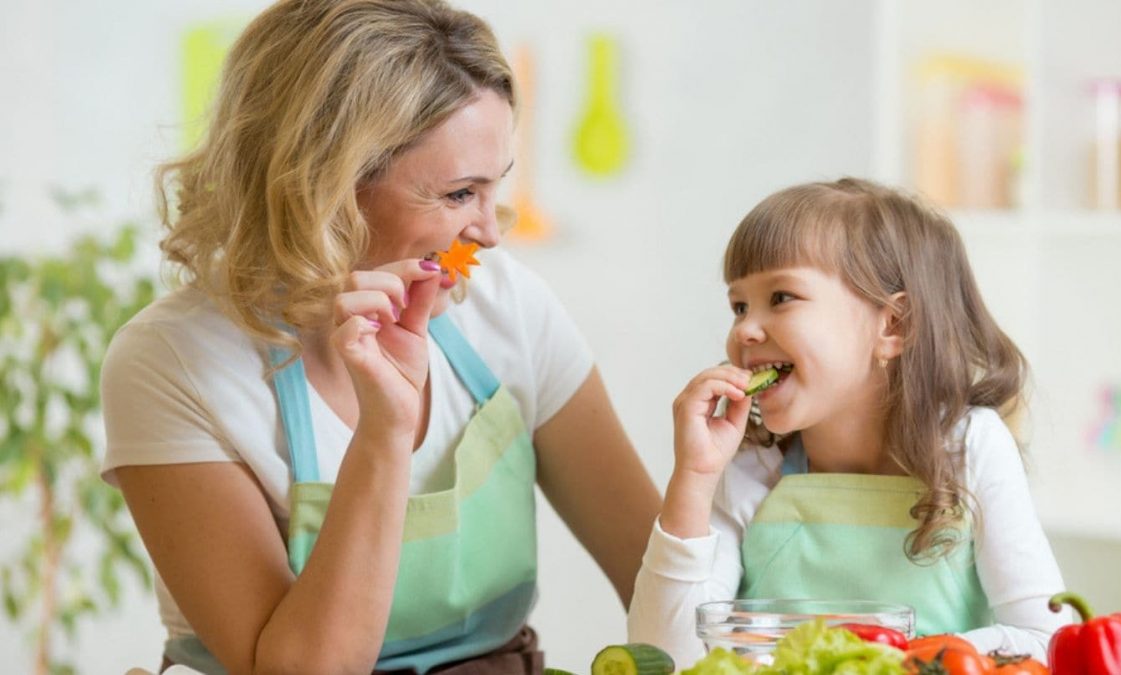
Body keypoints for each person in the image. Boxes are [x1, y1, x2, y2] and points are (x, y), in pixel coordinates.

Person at [100, 1, 661, 673]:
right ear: (325, 188)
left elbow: (657, 576)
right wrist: (383, 433)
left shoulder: (507, 305)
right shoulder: (171, 361)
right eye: (459, 194)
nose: (491, 229)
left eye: (495, 187)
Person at [627, 178, 1070, 666]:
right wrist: (693, 478)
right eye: (739, 306)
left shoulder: (970, 447)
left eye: (781, 297)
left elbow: (1047, 641)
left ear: (893, 325)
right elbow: (662, 656)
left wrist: (903, 657)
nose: (744, 331)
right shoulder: (753, 466)